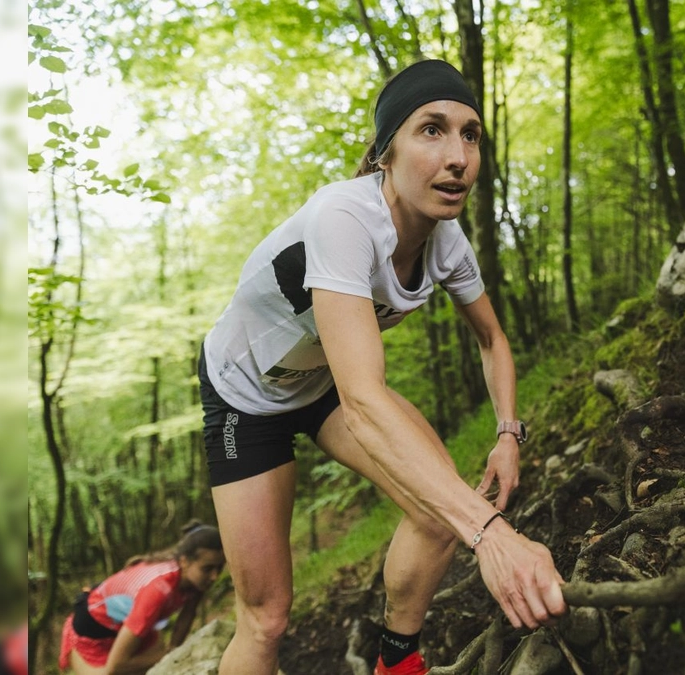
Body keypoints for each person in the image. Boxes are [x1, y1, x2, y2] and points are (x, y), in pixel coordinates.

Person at [198, 59, 566, 675]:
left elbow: (493, 340)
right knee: (266, 617)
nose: (458, 156)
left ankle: (396, 658)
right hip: (247, 397)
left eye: (470, 135)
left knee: (438, 503)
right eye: (431, 129)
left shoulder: (448, 243)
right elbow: (366, 400)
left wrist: (508, 432)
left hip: (327, 385)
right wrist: (494, 535)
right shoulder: (342, 217)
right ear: (384, 154)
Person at [58, 520, 225, 674]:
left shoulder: (194, 579)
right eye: (208, 569)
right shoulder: (157, 591)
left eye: (220, 567)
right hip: (91, 634)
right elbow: (115, 666)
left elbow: (188, 614)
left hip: (126, 625)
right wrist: (171, 655)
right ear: (184, 562)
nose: (214, 576)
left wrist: (174, 650)